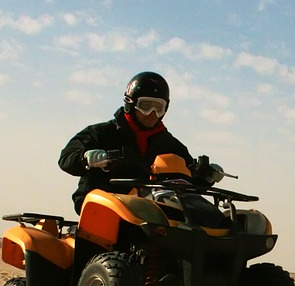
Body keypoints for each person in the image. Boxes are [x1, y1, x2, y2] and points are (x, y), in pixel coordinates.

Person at [59, 71, 221, 214]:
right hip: (104, 205)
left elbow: (186, 182)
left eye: (158, 107)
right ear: (130, 103)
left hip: (152, 211)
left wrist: (206, 177)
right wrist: (85, 158)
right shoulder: (101, 133)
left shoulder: (171, 145)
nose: (152, 113)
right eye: (146, 106)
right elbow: (66, 158)